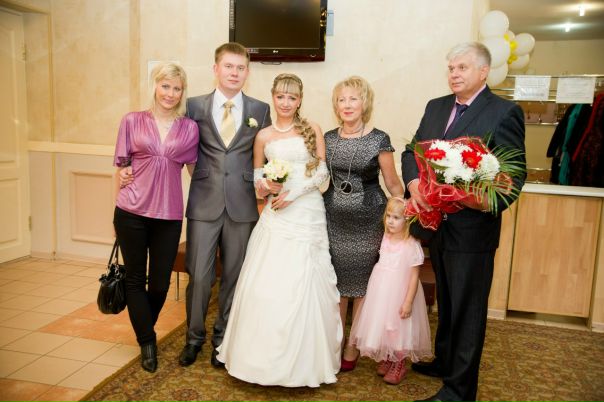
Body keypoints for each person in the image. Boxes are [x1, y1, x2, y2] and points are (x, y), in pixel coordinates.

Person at [401, 42, 526, 402]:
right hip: (436, 224)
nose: (454, 74)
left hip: (472, 230)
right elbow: (411, 152)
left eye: (462, 68)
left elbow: (513, 176)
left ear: (484, 72)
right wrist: (414, 184)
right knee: (447, 301)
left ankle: (459, 391)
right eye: (451, 68)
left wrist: (475, 197)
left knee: (468, 311)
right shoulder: (436, 106)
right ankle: (445, 361)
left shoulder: (504, 112)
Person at [216, 73, 342, 387]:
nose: (285, 103)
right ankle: (261, 360)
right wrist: (266, 186)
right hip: (276, 214)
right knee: (268, 280)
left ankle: (306, 363)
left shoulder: (312, 129)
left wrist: (295, 192)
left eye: (292, 97)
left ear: (300, 100)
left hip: (307, 211)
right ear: (273, 97)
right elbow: (257, 179)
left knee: (306, 280)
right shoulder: (263, 136)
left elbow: (323, 174)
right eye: (281, 96)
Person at [179, 43, 271, 368]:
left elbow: (267, 155)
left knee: (234, 275)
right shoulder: (193, 106)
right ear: (216, 69)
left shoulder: (260, 110)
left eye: (240, 68)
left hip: (243, 205)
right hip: (204, 203)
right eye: (228, 66)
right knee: (200, 277)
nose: (234, 73)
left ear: (247, 72)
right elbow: (180, 146)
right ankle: (193, 338)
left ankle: (223, 339)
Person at [113, 62, 199, 373]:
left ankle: (144, 328)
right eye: (165, 86)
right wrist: (119, 185)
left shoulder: (189, 128)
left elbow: (196, 171)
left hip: (169, 215)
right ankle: (147, 342)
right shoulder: (132, 121)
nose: (170, 94)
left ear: (182, 92)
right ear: (155, 86)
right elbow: (121, 167)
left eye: (176, 88)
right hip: (131, 211)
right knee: (135, 278)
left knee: (160, 283)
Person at [323, 76, 404, 371]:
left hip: (368, 219)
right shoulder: (327, 138)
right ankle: (335, 340)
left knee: (360, 284)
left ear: (365, 103)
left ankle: (353, 344)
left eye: (353, 99)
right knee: (335, 282)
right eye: (341, 99)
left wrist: (402, 215)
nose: (347, 105)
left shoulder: (379, 139)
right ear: (336, 105)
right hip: (333, 218)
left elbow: (392, 183)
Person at [349, 197, 433, 385]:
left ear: (407, 220)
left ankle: (399, 363)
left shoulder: (411, 244)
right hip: (382, 290)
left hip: (400, 293)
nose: (390, 221)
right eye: (388, 216)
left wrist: (408, 302)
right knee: (384, 324)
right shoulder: (385, 238)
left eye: (396, 217)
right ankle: (388, 356)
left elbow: (414, 277)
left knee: (397, 328)